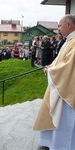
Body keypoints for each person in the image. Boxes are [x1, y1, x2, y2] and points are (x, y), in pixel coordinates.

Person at [33, 14, 75, 149]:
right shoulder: (69, 40)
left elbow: (69, 65)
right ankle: (52, 142)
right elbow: (60, 61)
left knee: (64, 120)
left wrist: (51, 71)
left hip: (67, 88)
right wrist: (51, 66)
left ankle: (62, 145)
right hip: (61, 83)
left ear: (68, 25)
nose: (59, 29)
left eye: (60, 26)